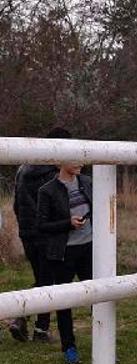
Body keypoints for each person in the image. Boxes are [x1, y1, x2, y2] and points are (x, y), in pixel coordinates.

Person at [9, 128, 67, 342]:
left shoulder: (23, 168)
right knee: (47, 282)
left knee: (42, 278)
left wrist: (24, 227)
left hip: (27, 232)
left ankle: (23, 318)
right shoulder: (53, 174)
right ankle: (37, 327)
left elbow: (16, 203)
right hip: (47, 233)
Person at [37, 159, 93, 364]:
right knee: (64, 302)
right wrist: (67, 224)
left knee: (100, 298)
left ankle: (105, 345)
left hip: (89, 250)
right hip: (64, 254)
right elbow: (41, 225)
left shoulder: (87, 182)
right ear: (60, 160)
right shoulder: (47, 190)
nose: (80, 163)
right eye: (74, 158)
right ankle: (69, 348)